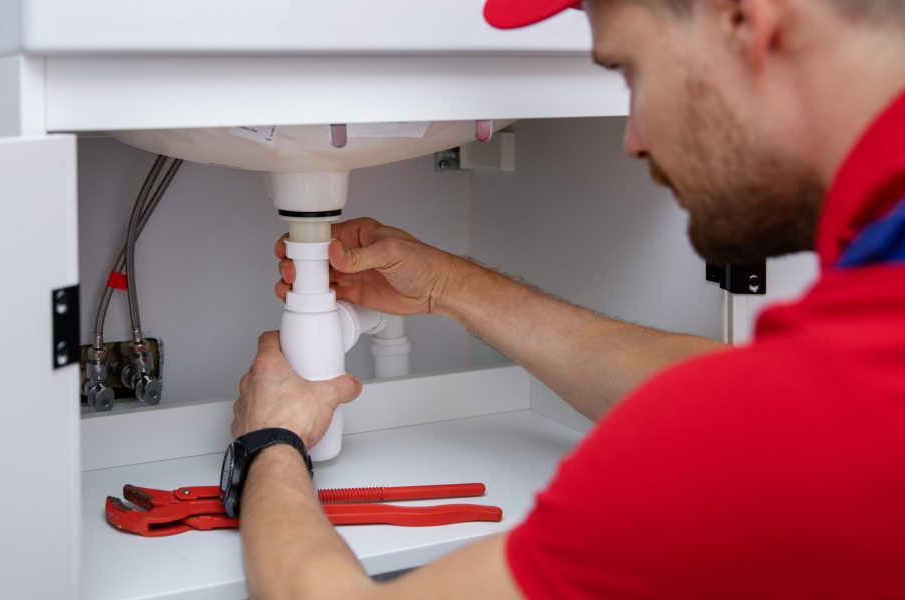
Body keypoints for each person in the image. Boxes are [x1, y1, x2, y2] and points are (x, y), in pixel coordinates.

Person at [228, 0, 905, 597]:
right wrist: (446, 286)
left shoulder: (834, 413)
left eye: (630, 71)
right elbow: (738, 397)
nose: (632, 138)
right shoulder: (867, 340)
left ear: (744, 24)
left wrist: (272, 441)